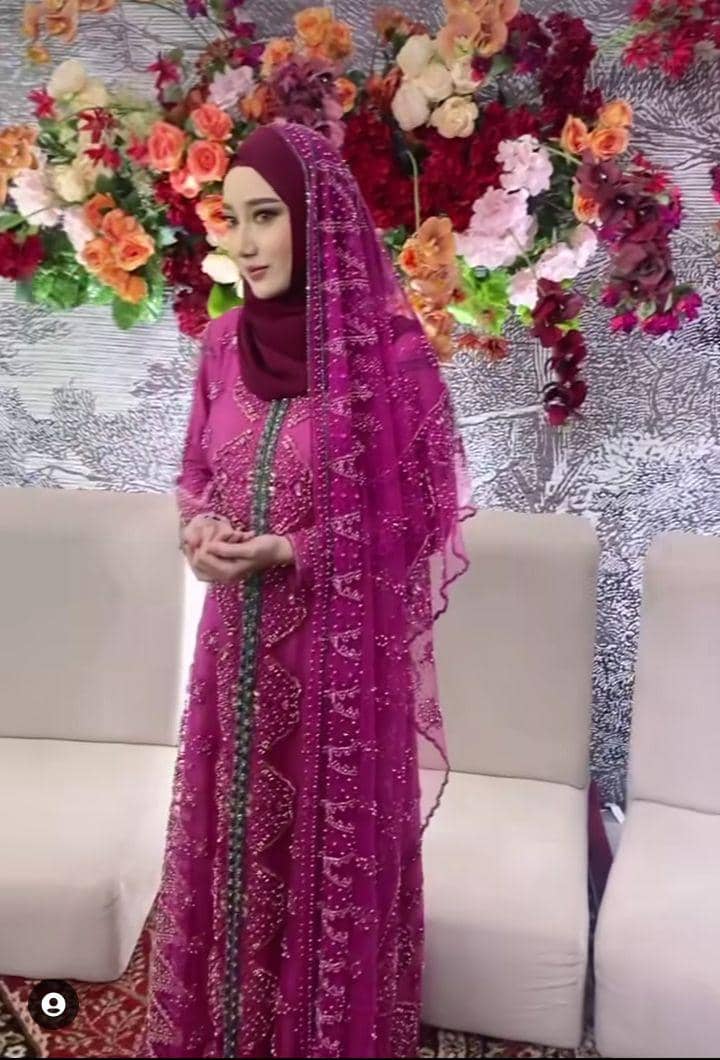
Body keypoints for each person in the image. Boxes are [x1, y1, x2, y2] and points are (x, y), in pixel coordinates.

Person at [138, 121, 475, 1060]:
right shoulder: (222, 345)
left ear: (316, 218)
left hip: (340, 673)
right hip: (233, 663)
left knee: (325, 868)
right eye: (232, 220)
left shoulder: (389, 357)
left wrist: (294, 548)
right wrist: (200, 530)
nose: (244, 244)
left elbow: (426, 517)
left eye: (266, 217)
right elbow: (196, 474)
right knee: (235, 852)